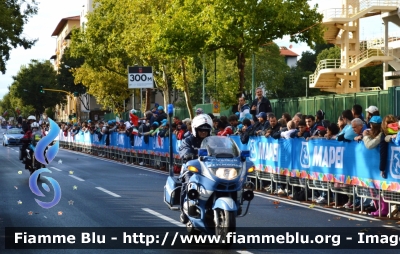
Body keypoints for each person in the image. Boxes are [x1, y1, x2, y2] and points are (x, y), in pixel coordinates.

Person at [178, 114, 213, 224]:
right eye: (201, 130)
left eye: (206, 130)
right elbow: (183, 150)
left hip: (210, 169)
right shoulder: (188, 140)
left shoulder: (213, 140)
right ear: (195, 130)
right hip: (192, 168)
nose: (203, 132)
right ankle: (184, 211)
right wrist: (188, 154)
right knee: (188, 184)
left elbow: (223, 149)